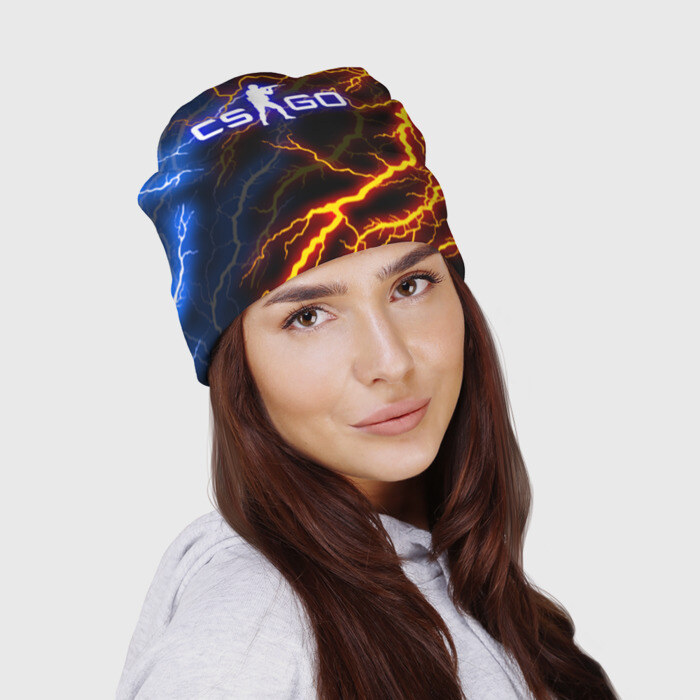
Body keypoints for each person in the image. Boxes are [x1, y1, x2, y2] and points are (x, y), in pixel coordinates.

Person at [117, 66, 620, 699]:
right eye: (309, 315)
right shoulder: (250, 629)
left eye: (410, 285)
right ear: (237, 369)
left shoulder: (483, 593)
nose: (391, 360)